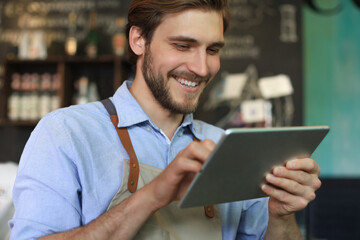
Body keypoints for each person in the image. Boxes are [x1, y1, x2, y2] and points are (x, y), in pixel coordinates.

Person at [9, 0, 321, 239]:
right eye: (183, 45)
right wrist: (152, 196)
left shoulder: (230, 147)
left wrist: (281, 215)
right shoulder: (65, 133)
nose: (201, 67)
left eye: (212, 49)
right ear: (138, 41)